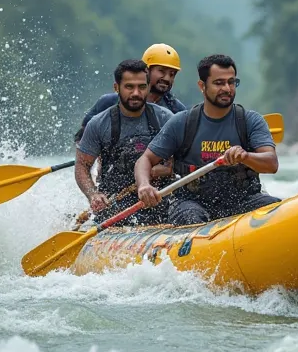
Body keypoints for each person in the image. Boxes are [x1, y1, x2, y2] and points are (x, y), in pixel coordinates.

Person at [134, 54, 280, 225]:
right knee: (191, 216)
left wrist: (245, 156)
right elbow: (145, 160)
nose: (227, 88)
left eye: (231, 82)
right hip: (192, 203)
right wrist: (144, 185)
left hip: (243, 200)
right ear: (202, 86)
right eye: (219, 83)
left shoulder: (251, 121)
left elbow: (271, 163)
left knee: (276, 208)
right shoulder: (182, 122)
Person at [75, 59, 175, 224]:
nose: (136, 93)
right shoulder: (98, 124)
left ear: (148, 87)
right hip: (115, 201)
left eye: (142, 87)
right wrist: (93, 194)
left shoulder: (166, 119)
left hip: (160, 195)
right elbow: (82, 166)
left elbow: (181, 160)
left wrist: (165, 169)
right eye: (129, 87)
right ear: (117, 88)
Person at [73, 43, 187, 143]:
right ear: (146, 71)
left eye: (172, 74)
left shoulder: (177, 111)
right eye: (162, 71)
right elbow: (81, 139)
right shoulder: (108, 102)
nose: (167, 78)